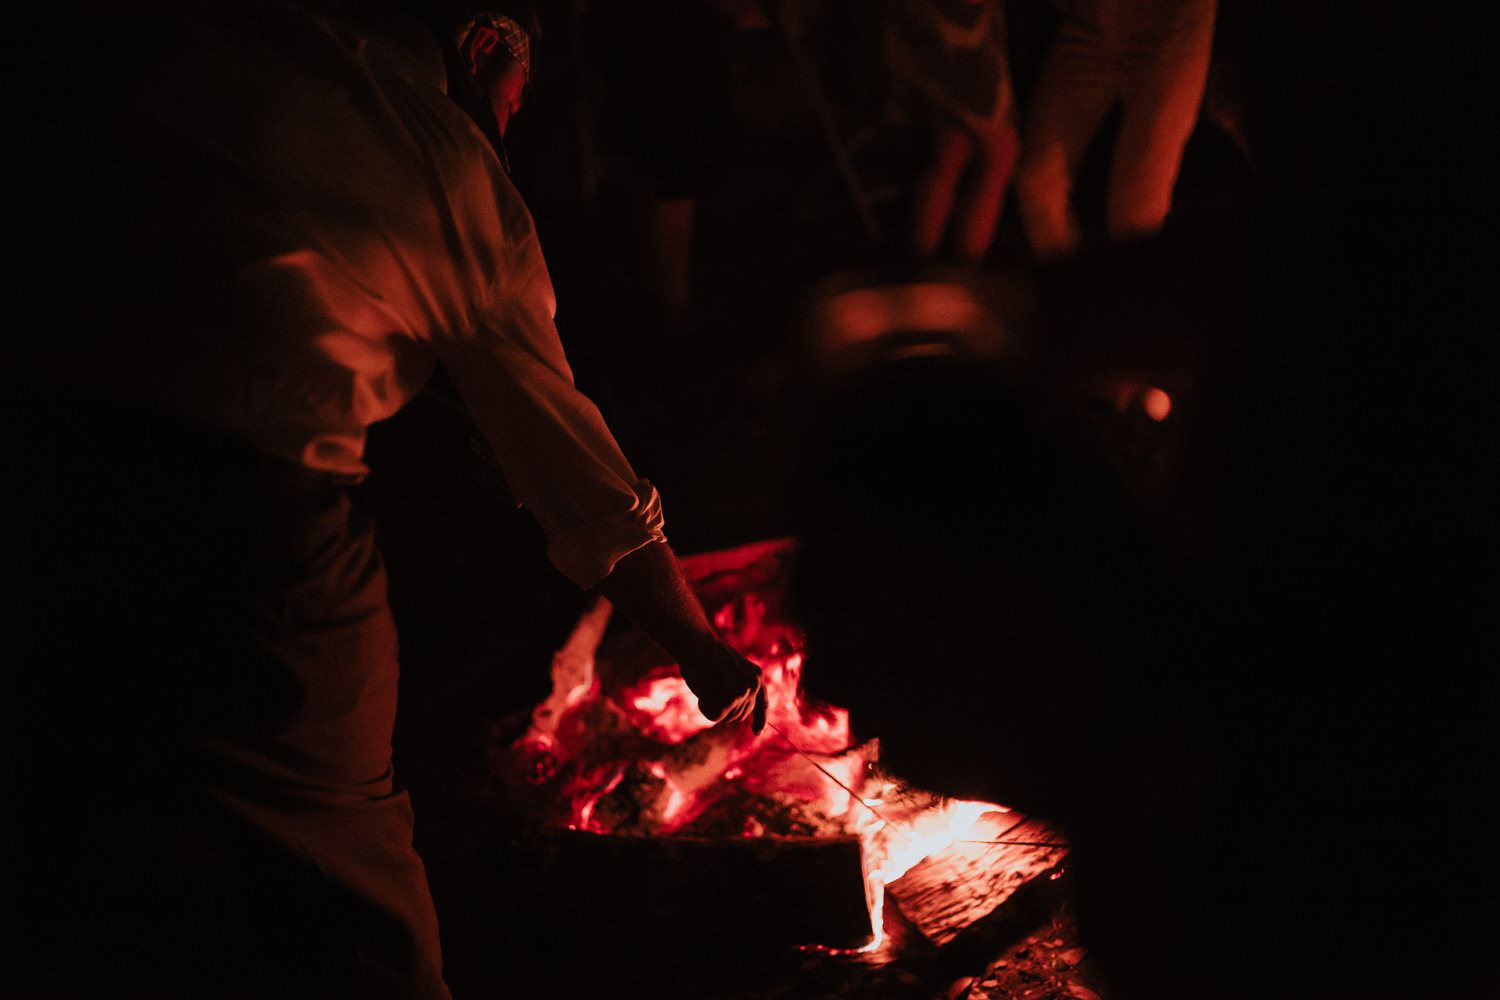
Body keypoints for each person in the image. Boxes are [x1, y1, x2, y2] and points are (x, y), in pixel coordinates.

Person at [1, 2, 763, 997]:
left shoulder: (216, 34)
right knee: (343, 870)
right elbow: (569, 462)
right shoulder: (439, 154)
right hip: (248, 499)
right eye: (517, 97)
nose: (510, 123)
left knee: (57, 826)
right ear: (485, 43)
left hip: (32, 453)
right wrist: (700, 648)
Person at [1012, 0, 1217, 258]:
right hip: (1091, 18)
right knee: (1038, 181)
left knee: (1138, 210)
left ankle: (1127, 294)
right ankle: (1075, 291)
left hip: (1172, 22)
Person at [884, 0, 1022, 262]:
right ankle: (964, 267)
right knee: (999, 152)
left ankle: (922, 266)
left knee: (952, 148)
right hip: (959, 24)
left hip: (944, 20)